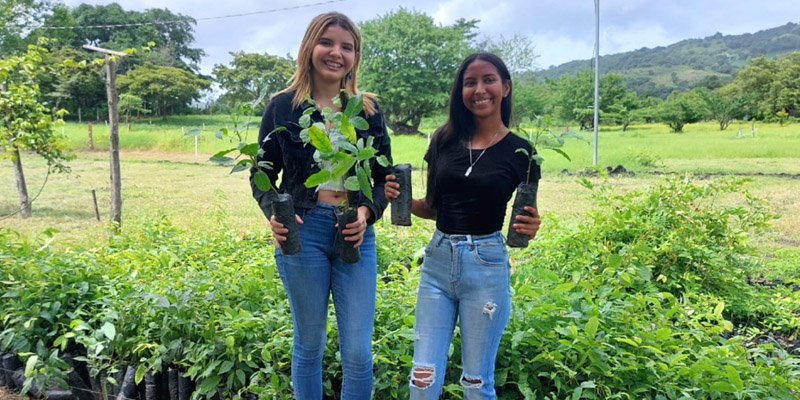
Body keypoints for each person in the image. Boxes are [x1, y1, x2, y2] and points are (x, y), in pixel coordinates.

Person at [250, 12, 392, 400]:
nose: (336, 53)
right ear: (309, 46)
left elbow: (382, 178)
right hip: (304, 231)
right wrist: (273, 215)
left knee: (359, 354)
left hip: (355, 233)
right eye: (327, 42)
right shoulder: (283, 107)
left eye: (347, 47)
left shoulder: (366, 110)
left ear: (355, 57)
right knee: (309, 344)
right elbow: (261, 174)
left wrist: (366, 213)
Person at [385, 52, 541, 399]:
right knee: (422, 377)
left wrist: (532, 225)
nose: (479, 89)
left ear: (505, 87)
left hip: (486, 267)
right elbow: (434, 206)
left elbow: (524, 218)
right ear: (461, 91)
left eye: (488, 80)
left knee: (476, 381)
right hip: (438, 264)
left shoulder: (523, 154)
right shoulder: (443, 140)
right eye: (470, 82)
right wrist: (397, 198)